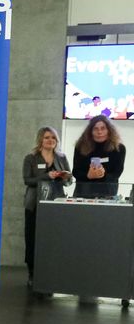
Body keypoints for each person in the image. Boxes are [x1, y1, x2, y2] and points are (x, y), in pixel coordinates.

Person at [22, 126, 71, 284]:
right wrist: (46, 176)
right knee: (32, 238)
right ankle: (32, 272)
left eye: (53, 138)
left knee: (53, 239)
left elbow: (69, 181)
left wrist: (64, 177)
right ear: (40, 140)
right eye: (47, 137)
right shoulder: (31, 158)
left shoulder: (61, 158)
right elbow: (27, 180)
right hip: (34, 204)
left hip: (55, 204)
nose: (50, 140)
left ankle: (50, 271)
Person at [72, 115, 125, 199]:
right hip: (83, 193)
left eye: (103, 128)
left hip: (107, 193)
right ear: (90, 131)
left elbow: (117, 173)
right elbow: (75, 172)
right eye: (95, 129)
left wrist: (102, 175)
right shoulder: (80, 147)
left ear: (109, 130)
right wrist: (88, 176)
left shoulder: (119, 148)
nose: (99, 132)